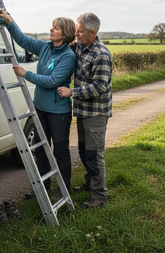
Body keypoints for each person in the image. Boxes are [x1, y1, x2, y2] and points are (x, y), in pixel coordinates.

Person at [0, 9, 76, 199]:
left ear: (65, 34)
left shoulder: (68, 56)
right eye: (52, 26)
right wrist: (9, 21)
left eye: (55, 28)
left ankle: (63, 189)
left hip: (58, 112)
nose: (51, 29)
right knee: (40, 149)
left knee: (61, 151)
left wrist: (27, 74)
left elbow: (53, 81)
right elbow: (22, 40)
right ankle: (43, 187)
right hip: (40, 107)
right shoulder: (44, 47)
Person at [58, 12, 112, 208]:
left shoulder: (101, 54)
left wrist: (72, 92)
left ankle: (100, 195)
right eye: (76, 31)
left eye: (80, 32)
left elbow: (99, 87)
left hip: (96, 113)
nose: (76, 34)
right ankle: (90, 184)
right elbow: (61, 47)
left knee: (93, 153)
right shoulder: (80, 46)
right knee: (83, 150)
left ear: (92, 32)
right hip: (82, 111)